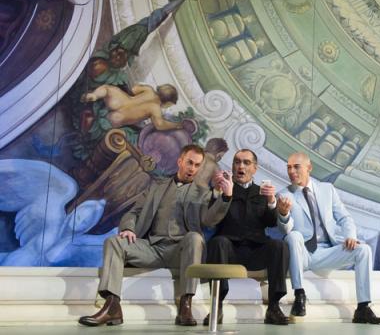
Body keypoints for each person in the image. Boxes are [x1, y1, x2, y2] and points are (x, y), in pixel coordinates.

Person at [77, 144, 232, 327]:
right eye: (189, 163)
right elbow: (133, 212)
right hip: (152, 248)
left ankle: (186, 305)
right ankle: (112, 306)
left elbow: (209, 220)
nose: (193, 168)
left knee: (195, 238)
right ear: (180, 161)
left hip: (180, 252)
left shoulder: (202, 193)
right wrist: (129, 228)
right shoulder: (156, 187)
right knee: (114, 242)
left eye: (197, 165)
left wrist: (225, 197)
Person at [277, 152, 380, 324]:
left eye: (296, 167)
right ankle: (299, 295)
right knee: (293, 235)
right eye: (289, 167)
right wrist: (283, 214)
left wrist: (350, 236)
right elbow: (284, 230)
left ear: (309, 168)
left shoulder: (327, 190)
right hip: (302, 253)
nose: (291, 171)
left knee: (364, 250)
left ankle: (363, 308)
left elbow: (344, 217)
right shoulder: (283, 195)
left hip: (327, 251)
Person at [204, 149, 290, 326]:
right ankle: (217, 306)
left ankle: (274, 307)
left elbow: (271, 222)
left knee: (279, 246)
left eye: (246, 162)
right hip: (230, 250)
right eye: (237, 162)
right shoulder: (223, 189)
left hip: (256, 250)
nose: (240, 166)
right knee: (218, 242)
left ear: (255, 169)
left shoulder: (262, 192)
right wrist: (220, 194)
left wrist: (272, 202)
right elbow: (210, 221)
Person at [80, 83, 181, 130]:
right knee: (116, 119)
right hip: (120, 117)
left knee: (107, 89)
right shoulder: (155, 109)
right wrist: (176, 125)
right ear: (168, 103)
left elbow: (134, 89)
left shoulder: (149, 89)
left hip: (120, 101)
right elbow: (160, 125)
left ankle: (94, 95)